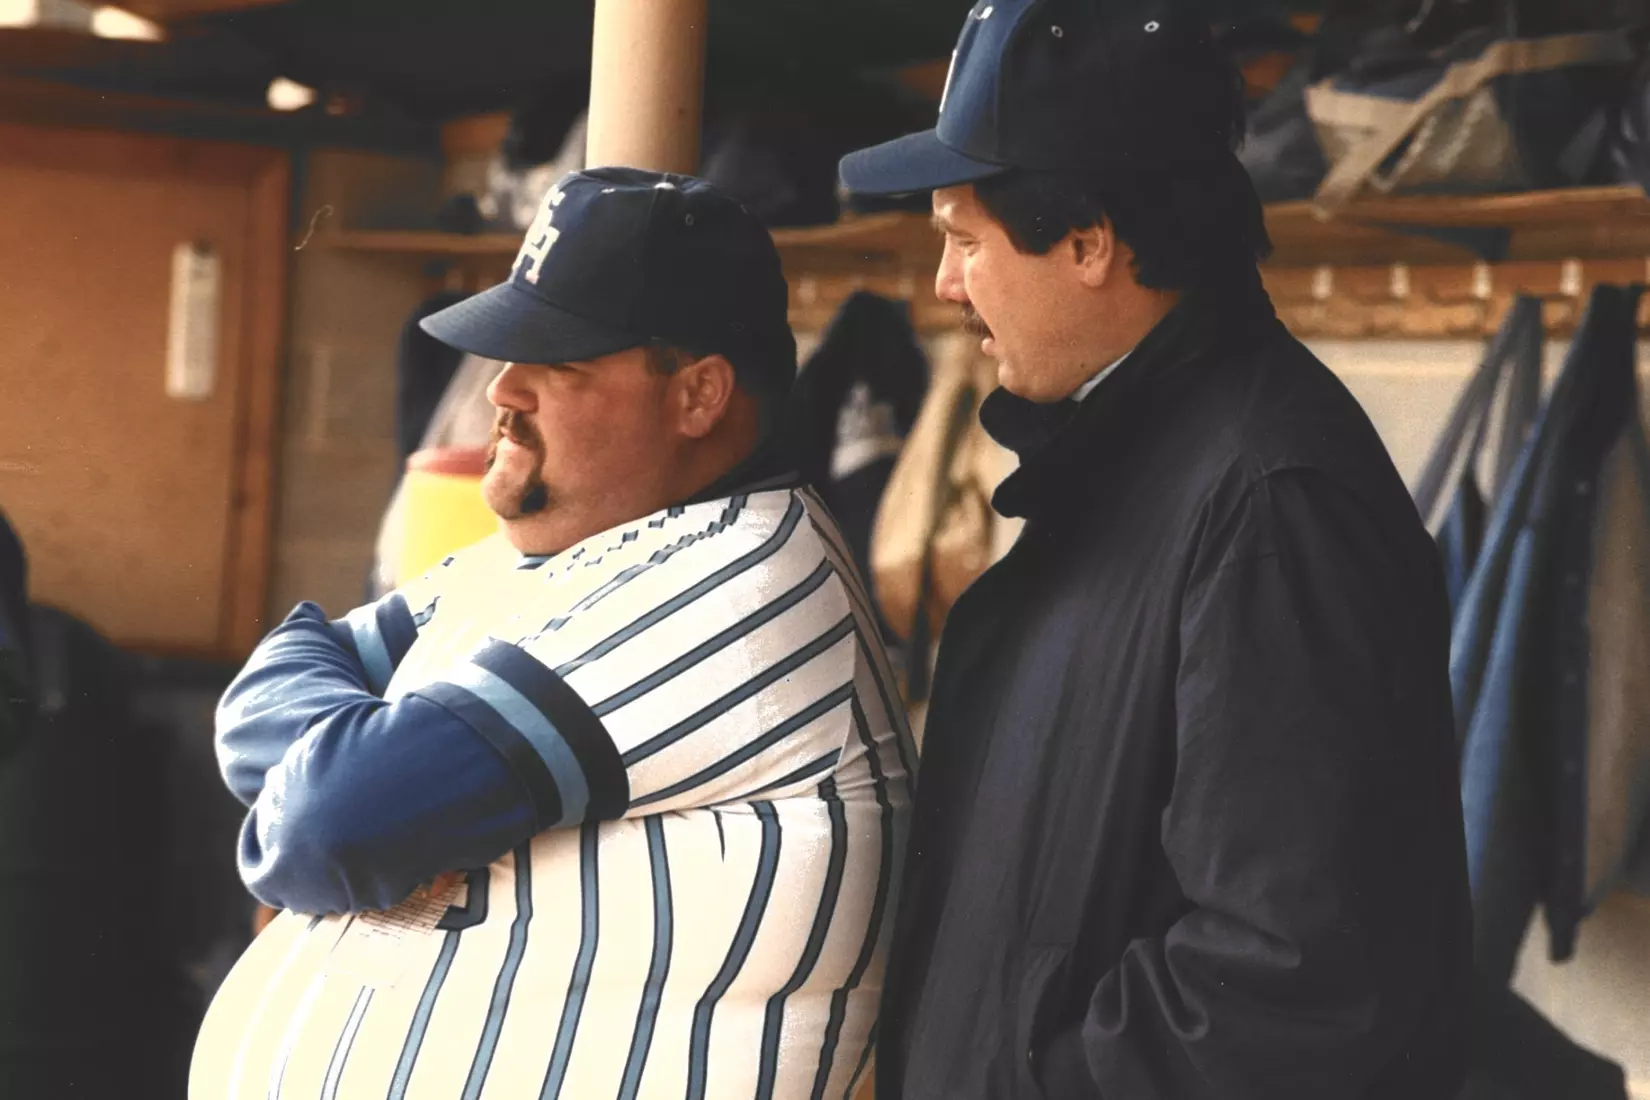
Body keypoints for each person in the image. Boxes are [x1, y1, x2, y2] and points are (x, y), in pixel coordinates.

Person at [837, 4, 1472, 1099]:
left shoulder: (1272, 503)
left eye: (965, 238)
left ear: (1089, 239)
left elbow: (1291, 972)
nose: (945, 284)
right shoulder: (1141, 455)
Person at [191, 167, 914, 1100]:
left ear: (699, 395)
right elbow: (283, 672)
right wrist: (333, 780)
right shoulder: (562, 550)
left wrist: (338, 787)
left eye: (557, 363)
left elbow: (334, 823)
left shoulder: (745, 576)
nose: (501, 389)